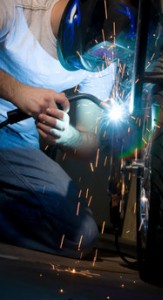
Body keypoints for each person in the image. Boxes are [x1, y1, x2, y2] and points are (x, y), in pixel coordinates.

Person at [0, 0, 134, 258]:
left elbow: (89, 144)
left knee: (81, 235)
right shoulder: (17, 8)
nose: (102, 60)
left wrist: (67, 135)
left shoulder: (104, 57)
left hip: (17, 142)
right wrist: (20, 93)